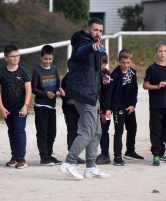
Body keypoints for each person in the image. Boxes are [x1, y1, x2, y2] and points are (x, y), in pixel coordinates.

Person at [59, 18, 110, 180]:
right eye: (95, 30)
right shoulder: (82, 43)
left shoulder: (96, 47)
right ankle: (69, 162)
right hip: (83, 94)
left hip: (92, 94)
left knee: (97, 132)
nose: (98, 33)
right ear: (88, 30)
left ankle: (91, 167)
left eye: (100, 31)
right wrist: (92, 47)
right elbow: (81, 52)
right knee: (87, 131)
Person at [0, 44, 31, 169]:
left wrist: (26, 105)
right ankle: (14, 156)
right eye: (12, 56)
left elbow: (28, 89)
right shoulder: (1, 73)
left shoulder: (23, 71)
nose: (15, 58)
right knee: (11, 131)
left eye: (17, 56)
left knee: (19, 130)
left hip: (20, 106)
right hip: (7, 107)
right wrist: (1, 107)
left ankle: (22, 158)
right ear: (6, 58)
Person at [105, 49, 144, 166]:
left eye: (128, 62)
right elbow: (109, 92)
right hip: (118, 106)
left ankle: (130, 151)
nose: (126, 65)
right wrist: (108, 108)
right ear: (119, 61)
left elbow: (135, 90)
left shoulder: (133, 73)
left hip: (129, 106)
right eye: (123, 63)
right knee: (119, 130)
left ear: (131, 61)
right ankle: (117, 156)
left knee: (132, 127)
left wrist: (133, 105)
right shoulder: (114, 74)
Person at [143, 41, 166, 166]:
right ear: (156, 53)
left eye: (165, 51)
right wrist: (157, 86)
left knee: (165, 130)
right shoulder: (151, 69)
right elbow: (145, 85)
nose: (162, 53)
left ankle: (162, 152)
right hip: (155, 105)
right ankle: (156, 154)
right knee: (156, 130)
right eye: (160, 51)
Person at [32, 45, 64, 166]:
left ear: (53, 58)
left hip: (52, 105)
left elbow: (57, 84)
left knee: (52, 132)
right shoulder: (37, 71)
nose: (47, 61)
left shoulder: (54, 69)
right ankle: (43, 157)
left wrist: (57, 92)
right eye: (45, 59)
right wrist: (45, 94)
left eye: (50, 59)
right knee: (42, 132)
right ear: (41, 57)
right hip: (41, 105)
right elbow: (33, 89)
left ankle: (49, 154)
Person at [61, 72, 86, 165]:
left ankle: (76, 155)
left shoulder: (84, 76)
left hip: (80, 108)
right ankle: (72, 157)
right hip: (69, 108)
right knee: (72, 131)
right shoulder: (66, 78)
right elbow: (64, 95)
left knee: (79, 131)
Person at [95, 51, 112, 165]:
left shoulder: (107, 76)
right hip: (95, 107)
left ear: (105, 63)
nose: (98, 66)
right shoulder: (94, 73)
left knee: (104, 131)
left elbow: (108, 95)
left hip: (106, 109)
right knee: (96, 131)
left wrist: (104, 110)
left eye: (100, 64)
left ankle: (105, 154)